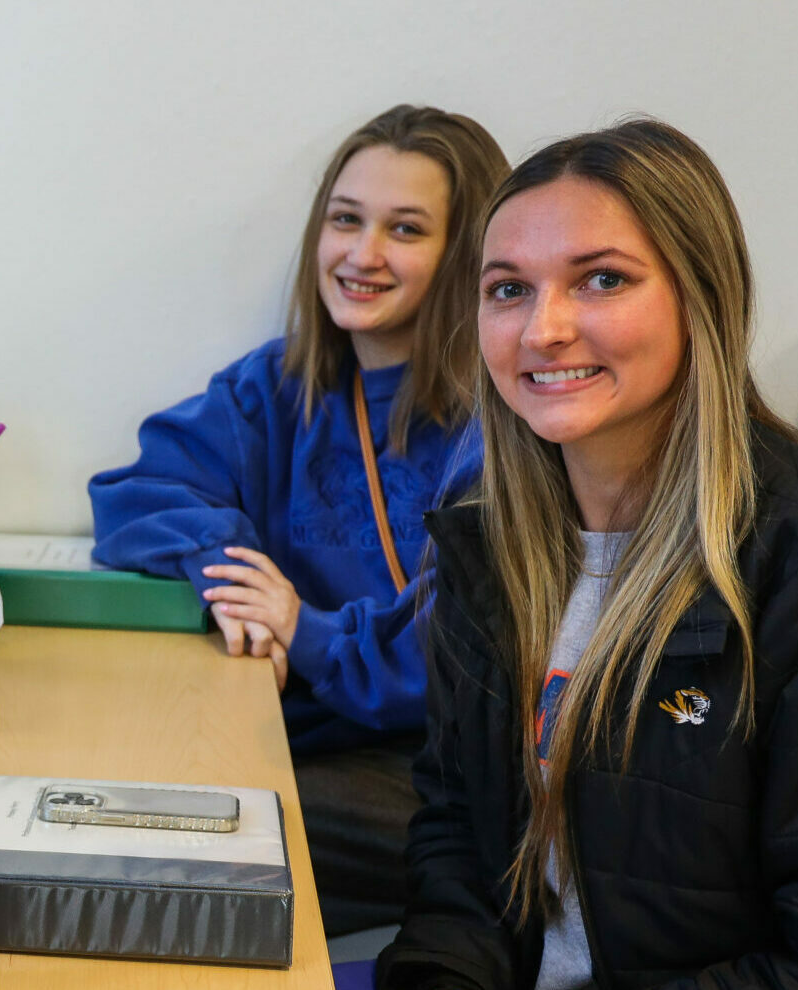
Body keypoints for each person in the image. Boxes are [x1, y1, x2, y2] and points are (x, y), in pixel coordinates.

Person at [379, 119, 798, 988]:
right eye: (508, 289)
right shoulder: (490, 541)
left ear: (703, 295)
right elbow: (458, 847)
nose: (543, 328)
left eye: (601, 280)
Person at [88, 104, 505, 934]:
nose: (363, 254)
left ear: (463, 258)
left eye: (407, 230)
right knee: (98, 790)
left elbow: (457, 647)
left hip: (439, 776)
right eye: (345, 220)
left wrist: (304, 631)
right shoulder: (279, 387)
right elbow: (137, 493)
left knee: (164, 845)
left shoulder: (501, 428)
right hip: (302, 735)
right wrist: (241, 584)